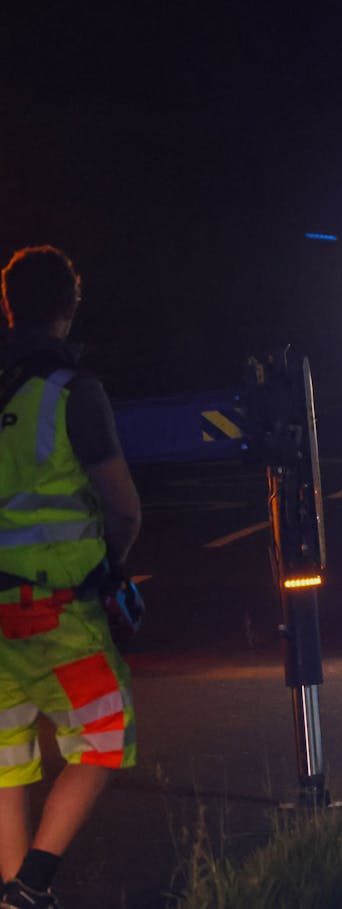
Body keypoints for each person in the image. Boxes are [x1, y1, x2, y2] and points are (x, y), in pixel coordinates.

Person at [0, 246, 140, 908]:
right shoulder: (71, 393)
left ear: (8, 305)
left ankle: (12, 893)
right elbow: (123, 507)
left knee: (6, 757)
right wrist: (112, 565)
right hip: (57, 616)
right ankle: (32, 882)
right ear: (68, 306)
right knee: (104, 738)